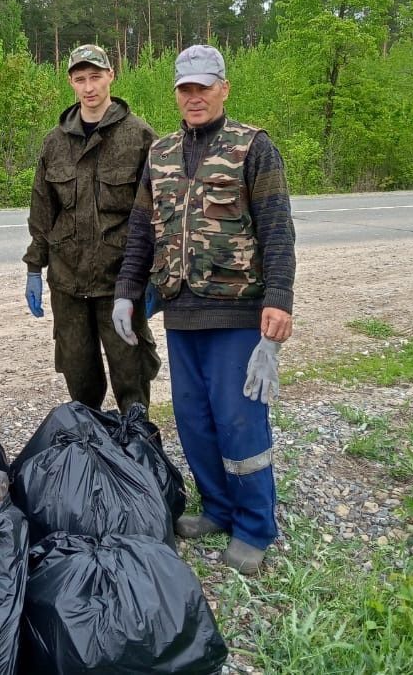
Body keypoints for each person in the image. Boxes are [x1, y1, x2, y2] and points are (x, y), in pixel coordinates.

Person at [112, 44, 296, 575]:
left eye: (204, 87)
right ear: (176, 93)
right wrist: (128, 290)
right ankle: (216, 507)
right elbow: (142, 232)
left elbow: (278, 230)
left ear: (223, 88)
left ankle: (255, 525)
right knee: (194, 420)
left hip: (238, 313)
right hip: (180, 312)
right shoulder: (161, 153)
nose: (194, 97)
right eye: (185, 89)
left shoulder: (253, 147)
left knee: (239, 420)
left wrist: (279, 301)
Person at [23, 43, 160, 411]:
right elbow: (42, 212)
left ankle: (137, 441)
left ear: (111, 76)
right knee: (79, 375)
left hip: (121, 281)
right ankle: (91, 447)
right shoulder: (54, 143)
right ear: (71, 82)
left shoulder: (140, 138)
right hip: (67, 282)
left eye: (96, 77)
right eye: (80, 79)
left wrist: (156, 274)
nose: (89, 87)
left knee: (130, 371)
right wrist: (34, 268)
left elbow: (157, 214)